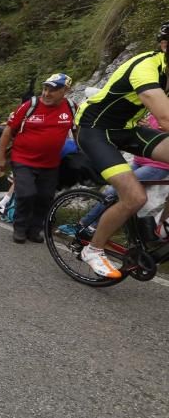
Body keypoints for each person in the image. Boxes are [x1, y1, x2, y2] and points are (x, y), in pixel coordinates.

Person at [73, 22, 169, 278]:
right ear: (164, 45)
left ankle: (160, 226)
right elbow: (165, 118)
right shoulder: (147, 67)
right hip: (94, 130)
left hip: (125, 128)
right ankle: (94, 249)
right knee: (135, 197)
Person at [0, 73, 76, 243]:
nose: (46, 93)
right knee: (26, 194)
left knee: (45, 197)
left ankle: (34, 229)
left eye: (53, 90)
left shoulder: (71, 107)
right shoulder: (29, 106)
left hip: (51, 163)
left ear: (65, 91)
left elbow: (77, 131)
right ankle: (20, 228)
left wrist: (81, 152)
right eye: (45, 88)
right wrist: (0, 157)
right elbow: (8, 131)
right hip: (23, 159)